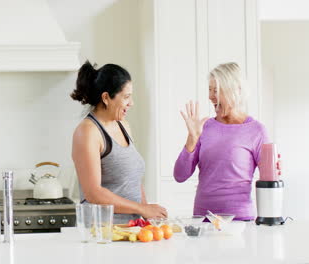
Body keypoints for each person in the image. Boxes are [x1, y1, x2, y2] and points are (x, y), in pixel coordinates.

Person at [174, 62, 281, 220]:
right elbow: (179, 176)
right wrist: (192, 138)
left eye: (216, 90)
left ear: (235, 90)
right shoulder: (204, 128)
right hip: (204, 220)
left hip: (240, 221)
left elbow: (270, 179)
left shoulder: (256, 131)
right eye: (209, 90)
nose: (210, 96)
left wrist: (275, 170)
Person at [71, 60, 167, 224]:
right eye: (126, 97)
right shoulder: (88, 131)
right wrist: (141, 208)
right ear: (106, 98)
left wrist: (147, 214)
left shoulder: (123, 126)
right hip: (103, 233)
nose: (131, 103)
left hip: (131, 229)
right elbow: (93, 193)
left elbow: (133, 179)